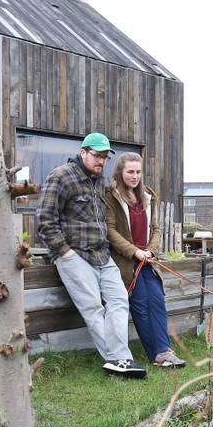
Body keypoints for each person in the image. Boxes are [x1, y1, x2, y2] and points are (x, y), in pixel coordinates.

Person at [36, 133, 147, 378]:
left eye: (105, 157)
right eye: (96, 155)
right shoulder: (61, 176)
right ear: (83, 152)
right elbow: (44, 220)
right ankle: (118, 360)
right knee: (93, 308)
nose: (101, 161)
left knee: (119, 301)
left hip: (101, 254)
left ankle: (119, 358)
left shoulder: (99, 180)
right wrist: (64, 251)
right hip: (74, 255)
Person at [104, 153, 187, 368]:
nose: (135, 176)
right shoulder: (111, 196)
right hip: (127, 262)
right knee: (140, 304)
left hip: (148, 260)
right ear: (120, 172)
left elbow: (156, 229)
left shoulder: (148, 196)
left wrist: (150, 251)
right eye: (130, 172)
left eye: (138, 172)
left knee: (157, 300)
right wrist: (134, 252)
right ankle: (157, 355)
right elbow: (110, 231)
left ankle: (165, 351)